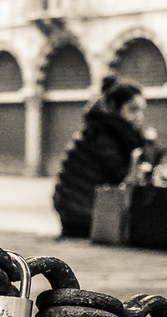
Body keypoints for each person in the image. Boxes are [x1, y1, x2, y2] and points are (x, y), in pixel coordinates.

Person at [53, 75, 149, 238]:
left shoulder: (107, 130)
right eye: (133, 109)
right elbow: (123, 175)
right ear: (114, 107)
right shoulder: (102, 134)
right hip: (81, 213)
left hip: (78, 209)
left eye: (141, 110)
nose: (139, 116)